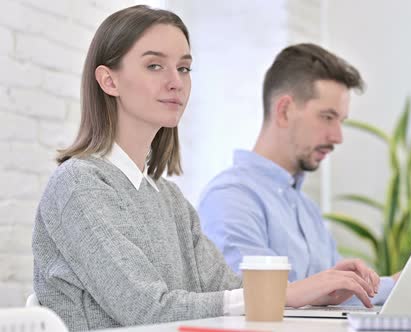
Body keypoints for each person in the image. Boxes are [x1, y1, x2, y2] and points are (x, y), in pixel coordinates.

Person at [32, 6, 381, 331]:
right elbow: (146, 309)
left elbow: (227, 290)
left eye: (184, 67)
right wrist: (286, 294)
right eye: (155, 65)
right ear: (109, 81)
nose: (176, 81)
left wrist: (315, 290)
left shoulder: (169, 199)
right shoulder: (79, 185)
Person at [198, 43, 411, 306]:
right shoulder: (231, 198)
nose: (337, 136)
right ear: (284, 110)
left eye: (340, 121)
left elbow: (330, 296)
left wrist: (403, 283)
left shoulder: (305, 208)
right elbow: (251, 296)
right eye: (327, 117)